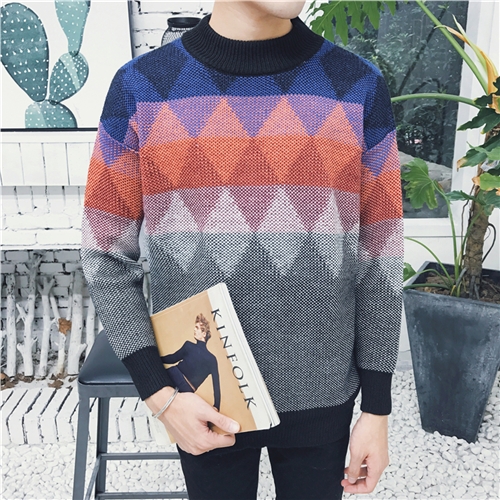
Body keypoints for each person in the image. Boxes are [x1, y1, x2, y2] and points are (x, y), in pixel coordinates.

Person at [80, 0, 404, 498]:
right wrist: (161, 396)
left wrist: (377, 409)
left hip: (322, 392)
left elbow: (380, 258)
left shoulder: (356, 85)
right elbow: (104, 253)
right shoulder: (142, 87)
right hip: (202, 399)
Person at [160, 314, 221, 411]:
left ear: (204, 334)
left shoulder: (211, 359)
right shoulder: (189, 346)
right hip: (175, 376)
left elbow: (216, 384)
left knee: (171, 410)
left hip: (185, 387)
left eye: (197, 328)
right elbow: (173, 358)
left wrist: (216, 406)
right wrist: (156, 359)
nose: (194, 330)